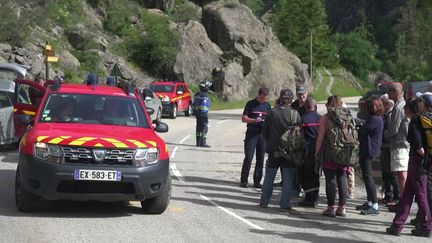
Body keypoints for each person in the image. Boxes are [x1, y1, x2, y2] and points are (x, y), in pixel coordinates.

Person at [386, 97, 432, 237]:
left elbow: (417, 144)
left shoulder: (416, 122)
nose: (403, 110)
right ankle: (397, 225)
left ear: (410, 110)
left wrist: (423, 155)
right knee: (406, 195)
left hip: (417, 163)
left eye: (405, 108)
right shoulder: (427, 120)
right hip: (422, 163)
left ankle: (426, 226)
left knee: (421, 195)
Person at [260, 88, 300, 211]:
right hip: (289, 152)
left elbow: (264, 132)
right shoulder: (295, 114)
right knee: (288, 178)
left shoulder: (272, 113)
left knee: (269, 176)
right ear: (291, 100)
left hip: (274, 150)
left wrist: (271, 143)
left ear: (280, 99)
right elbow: (298, 135)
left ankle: (264, 201)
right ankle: (284, 204)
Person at [315, 95, 350, 217]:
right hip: (344, 152)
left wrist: (317, 152)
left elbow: (320, 138)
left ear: (329, 105)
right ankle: (342, 208)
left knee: (330, 179)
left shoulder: (325, 118)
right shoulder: (347, 117)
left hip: (329, 152)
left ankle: (330, 208)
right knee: (342, 178)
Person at [355, 97, 384, 215]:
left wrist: (358, 124)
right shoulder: (377, 118)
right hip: (369, 149)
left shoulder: (374, 118)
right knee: (366, 177)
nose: (366, 108)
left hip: (369, 150)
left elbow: (364, 130)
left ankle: (375, 205)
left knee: (368, 177)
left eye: (368, 106)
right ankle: (370, 202)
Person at [383, 83, 409, 212]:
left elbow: (393, 129)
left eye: (389, 91)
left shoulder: (398, 108)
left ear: (395, 92)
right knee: (401, 174)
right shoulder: (401, 105)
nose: (388, 94)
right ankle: (403, 201)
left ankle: (403, 203)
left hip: (399, 144)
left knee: (401, 174)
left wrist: (384, 134)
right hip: (401, 144)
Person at [240, 87, 271, 188]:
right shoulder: (250, 104)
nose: (263, 100)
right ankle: (244, 180)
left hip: (263, 135)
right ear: (258, 95)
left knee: (260, 158)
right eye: (262, 98)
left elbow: (270, 120)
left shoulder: (267, 106)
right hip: (252, 133)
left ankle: (257, 181)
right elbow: (243, 118)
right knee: (249, 157)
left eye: (265, 98)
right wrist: (254, 120)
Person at [298, 98, 321, 207]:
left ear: (305, 107)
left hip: (307, 150)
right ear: (315, 106)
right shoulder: (321, 119)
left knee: (306, 175)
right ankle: (315, 197)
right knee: (316, 174)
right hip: (319, 150)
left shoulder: (303, 119)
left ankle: (309, 198)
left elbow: (299, 136)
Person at [379, 94, 400, 206]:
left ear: (387, 104)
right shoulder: (386, 115)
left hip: (388, 147)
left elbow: (391, 131)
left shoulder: (390, 116)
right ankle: (389, 195)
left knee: (391, 173)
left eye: (382, 103)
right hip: (385, 147)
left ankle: (395, 196)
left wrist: (382, 136)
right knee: (386, 173)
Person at [290, 84, 308, 195]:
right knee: (295, 163)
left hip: (306, 137)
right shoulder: (294, 105)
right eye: (299, 94)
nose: (301, 96)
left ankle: (303, 186)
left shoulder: (309, 104)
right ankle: (296, 187)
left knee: (304, 164)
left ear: (307, 94)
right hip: (295, 137)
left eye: (303, 94)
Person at [193, 80, 212, 148]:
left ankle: (198, 142)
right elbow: (204, 105)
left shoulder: (196, 94)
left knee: (198, 128)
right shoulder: (205, 95)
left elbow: (194, 104)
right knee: (204, 128)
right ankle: (203, 143)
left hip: (197, 114)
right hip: (203, 114)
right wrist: (204, 114)